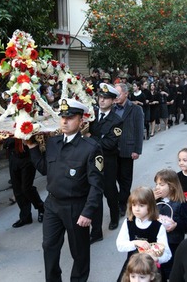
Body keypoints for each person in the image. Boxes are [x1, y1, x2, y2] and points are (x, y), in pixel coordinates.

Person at [27, 98, 104, 282]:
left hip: (76, 207)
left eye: (69, 117)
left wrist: (88, 212)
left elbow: (96, 185)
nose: (64, 121)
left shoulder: (91, 148)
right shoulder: (53, 142)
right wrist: (32, 148)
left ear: (81, 121)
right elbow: (45, 169)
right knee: (49, 247)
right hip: (53, 205)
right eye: (62, 117)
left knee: (79, 251)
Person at [87, 83, 123, 243]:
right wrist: (98, 139)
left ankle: (114, 216)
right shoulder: (91, 114)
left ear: (113, 101)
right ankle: (96, 232)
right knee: (94, 194)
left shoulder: (117, 120)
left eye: (106, 98)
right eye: (100, 97)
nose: (101, 101)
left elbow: (109, 143)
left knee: (109, 192)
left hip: (108, 161)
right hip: (91, 161)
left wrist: (91, 138)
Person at [116, 186, 172, 282]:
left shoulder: (158, 226)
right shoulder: (129, 222)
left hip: (150, 270)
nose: (137, 209)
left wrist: (156, 258)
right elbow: (120, 245)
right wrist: (135, 242)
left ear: (150, 206)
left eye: (141, 206)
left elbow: (167, 254)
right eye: (134, 205)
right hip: (133, 268)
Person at [153, 169, 187, 282]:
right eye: (156, 184)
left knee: (170, 270)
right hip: (157, 243)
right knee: (158, 271)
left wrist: (176, 225)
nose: (157, 187)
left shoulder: (181, 203)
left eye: (161, 184)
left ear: (171, 186)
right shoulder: (156, 201)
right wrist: (151, 200)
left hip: (172, 243)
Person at [114, 83, 144, 217]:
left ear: (126, 94)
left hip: (128, 149)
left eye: (118, 93)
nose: (116, 97)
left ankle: (122, 204)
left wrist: (137, 150)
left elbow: (139, 130)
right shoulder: (111, 108)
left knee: (125, 179)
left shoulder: (135, 109)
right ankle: (121, 200)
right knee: (115, 178)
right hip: (112, 149)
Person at [5, 138, 44, 228]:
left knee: (26, 188)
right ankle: (25, 217)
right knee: (17, 190)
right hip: (14, 157)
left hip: (28, 158)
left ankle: (41, 207)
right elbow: (4, 141)